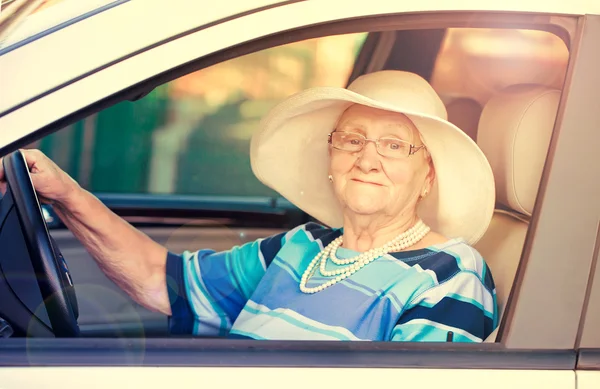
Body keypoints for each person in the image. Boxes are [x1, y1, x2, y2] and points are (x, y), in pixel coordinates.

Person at [0, 70, 498, 342]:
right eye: (352, 139)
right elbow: (161, 281)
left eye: (394, 145)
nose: (367, 159)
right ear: (331, 156)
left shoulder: (450, 276)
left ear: (427, 175)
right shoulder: (306, 245)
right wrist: (67, 194)